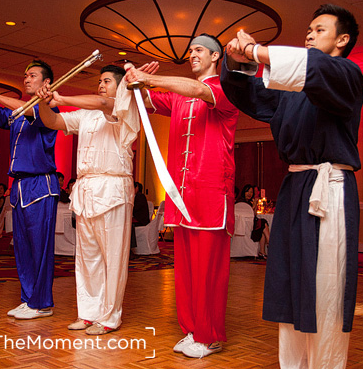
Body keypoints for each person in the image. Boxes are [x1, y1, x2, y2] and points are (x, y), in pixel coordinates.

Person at [220, 4, 363, 369]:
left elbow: (312, 69)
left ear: (342, 40)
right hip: (295, 187)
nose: (309, 35)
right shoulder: (290, 91)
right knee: (291, 281)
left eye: (319, 29)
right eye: (309, 30)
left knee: (324, 285)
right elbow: (251, 93)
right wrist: (236, 60)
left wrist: (254, 50)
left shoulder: (347, 74)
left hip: (328, 189)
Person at [124, 33, 240, 358]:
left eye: (199, 50)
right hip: (181, 199)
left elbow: (199, 89)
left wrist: (152, 78)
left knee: (209, 273)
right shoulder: (178, 98)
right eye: (191, 51)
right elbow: (146, 101)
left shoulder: (224, 89)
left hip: (211, 197)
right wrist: (136, 82)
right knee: (186, 272)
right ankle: (191, 330)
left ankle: (210, 335)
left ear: (216, 57)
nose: (192, 55)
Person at [34, 63, 157, 335]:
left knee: (113, 257)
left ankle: (110, 317)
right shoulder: (86, 115)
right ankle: (88, 313)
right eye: (99, 81)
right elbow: (52, 121)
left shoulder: (125, 110)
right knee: (87, 257)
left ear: (120, 86)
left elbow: (104, 102)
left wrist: (61, 97)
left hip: (113, 189)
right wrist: (45, 103)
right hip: (86, 190)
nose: (101, 85)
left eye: (107, 81)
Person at [0, 59, 60, 320]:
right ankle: (29, 299)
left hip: (40, 184)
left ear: (46, 83)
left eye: (32, 75)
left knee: (40, 246)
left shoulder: (48, 106)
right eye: (24, 75)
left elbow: (30, 111)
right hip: (20, 185)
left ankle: (42, 302)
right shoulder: (16, 112)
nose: (26, 79)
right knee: (22, 246)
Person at [236, 184, 269, 258]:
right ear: (244, 192)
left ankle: (262, 252)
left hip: (251, 224)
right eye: (248, 191)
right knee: (263, 223)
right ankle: (269, 242)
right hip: (245, 225)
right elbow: (248, 214)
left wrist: (255, 205)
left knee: (262, 227)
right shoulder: (241, 202)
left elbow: (254, 215)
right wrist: (253, 205)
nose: (249, 194)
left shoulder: (250, 202)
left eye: (251, 192)